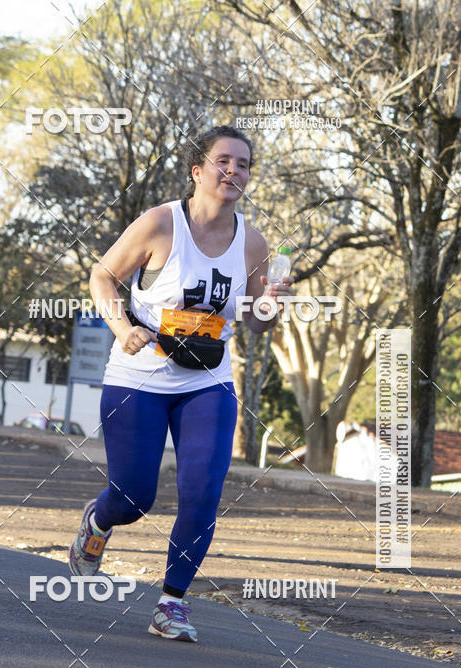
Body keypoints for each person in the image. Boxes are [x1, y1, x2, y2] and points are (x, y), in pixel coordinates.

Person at [68, 125, 294, 642]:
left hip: (208, 382)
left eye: (243, 164)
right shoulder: (159, 224)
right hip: (139, 377)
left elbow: (256, 323)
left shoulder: (252, 242)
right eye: (223, 161)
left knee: (202, 493)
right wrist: (123, 328)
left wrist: (271, 304)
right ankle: (99, 522)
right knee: (133, 497)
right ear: (198, 170)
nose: (233, 171)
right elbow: (103, 277)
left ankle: (171, 603)